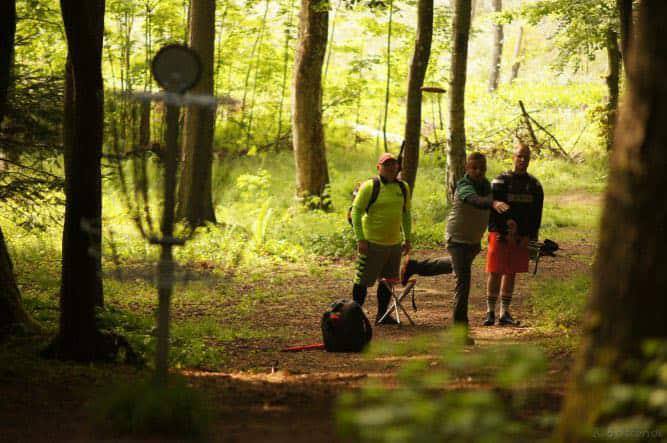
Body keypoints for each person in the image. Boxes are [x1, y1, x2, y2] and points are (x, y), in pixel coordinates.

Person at [401, 152, 509, 340]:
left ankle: (414, 266)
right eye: (474, 168)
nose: (478, 171)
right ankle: (460, 333)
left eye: (482, 168)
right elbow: (476, 201)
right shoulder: (464, 185)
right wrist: (493, 202)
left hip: (473, 241)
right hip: (457, 240)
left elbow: (493, 207)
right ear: (467, 168)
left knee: (454, 266)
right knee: (463, 282)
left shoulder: (486, 186)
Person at [484, 143, 543, 326]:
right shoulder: (499, 181)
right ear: (513, 157)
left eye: (526, 157)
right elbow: (490, 208)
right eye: (519, 156)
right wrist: (498, 231)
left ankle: (504, 312)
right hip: (500, 235)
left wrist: (530, 236)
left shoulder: (535, 185)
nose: (523, 160)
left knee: (511, 273)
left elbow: (536, 215)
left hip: (521, 238)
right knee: (495, 271)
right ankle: (490, 312)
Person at [351, 152, 412, 325]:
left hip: (394, 244)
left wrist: (407, 238)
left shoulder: (403, 187)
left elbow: (406, 214)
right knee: (362, 281)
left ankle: (382, 315)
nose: (391, 168)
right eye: (386, 165)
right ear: (379, 168)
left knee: (388, 281)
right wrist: (361, 239)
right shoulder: (370, 186)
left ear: (398, 167)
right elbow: (356, 212)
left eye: (394, 164)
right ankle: (354, 315)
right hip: (372, 243)